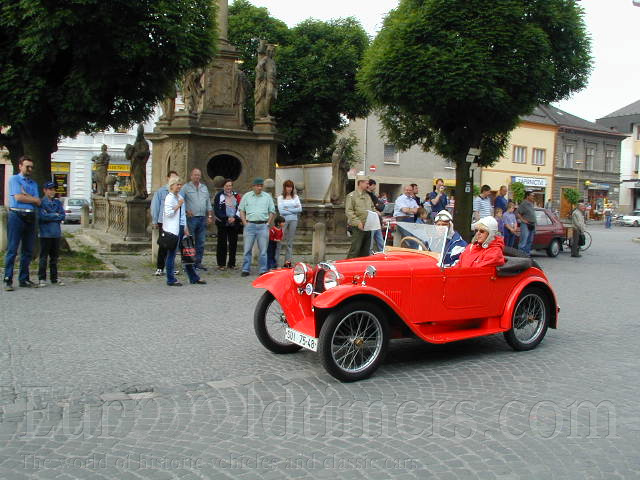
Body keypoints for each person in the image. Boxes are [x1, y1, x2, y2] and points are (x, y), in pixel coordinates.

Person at [4, 156, 41, 291]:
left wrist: (27, 196)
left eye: (31, 167)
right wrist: (30, 198)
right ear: (20, 166)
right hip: (16, 215)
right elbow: (18, 197)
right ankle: (8, 279)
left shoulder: (33, 183)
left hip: (30, 216)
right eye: (27, 166)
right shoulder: (14, 179)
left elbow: (38, 201)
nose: (29, 169)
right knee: (12, 249)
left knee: (27, 250)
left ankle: (24, 279)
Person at [163, 177, 205, 286]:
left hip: (181, 228)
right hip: (173, 230)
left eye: (180, 184)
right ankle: (170, 279)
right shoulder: (169, 198)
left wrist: (185, 228)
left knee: (187, 254)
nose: (179, 186)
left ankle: (193, 277)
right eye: (177, 184)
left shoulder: (180, 197)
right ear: (171, 186)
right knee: (171, 255)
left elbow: (182, 216)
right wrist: (178, 205)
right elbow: (168, 213)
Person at [239, 178, 276, 276]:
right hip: (250, 225)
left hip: (263, 225)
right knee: (247, 249)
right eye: (257, 186)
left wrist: (268, 223)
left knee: (263, 250)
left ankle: (263, 270)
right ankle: (245, 269)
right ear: (253, 186)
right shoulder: (247, 196)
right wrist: (245, 223)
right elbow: (241, 210)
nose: (259, 188)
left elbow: (272, 210)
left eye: (261, 186)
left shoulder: (267, 197)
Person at [181, 168, 213, 271]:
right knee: (189, 242)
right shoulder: (186, 187)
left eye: (198, 175)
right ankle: (188, 264)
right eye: (195, 175)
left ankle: (198, 262)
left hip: (202, 218)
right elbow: (180, 200)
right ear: (191, 176)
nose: (197, 177)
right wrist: (186, 211)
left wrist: (210, 216)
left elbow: (208, 202)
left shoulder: (204, 187)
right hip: (191, 219)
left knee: (201, 242)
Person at [151, 170, 179, 276]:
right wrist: (155, 220)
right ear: (168, 178)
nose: (174, 180)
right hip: (163, 222)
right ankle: (160, 267)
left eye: (176, 178)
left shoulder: (178, 193)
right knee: (163, 245)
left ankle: (170, 267)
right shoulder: (161, 191)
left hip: (174, 223)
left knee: (172, 246)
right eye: (172, 178)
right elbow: (155, 206)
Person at [37, 182, 66, 287]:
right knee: (43, 257)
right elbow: (42, 217)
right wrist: (55, 215)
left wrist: (51, 215)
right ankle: (42, 278)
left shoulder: (57, 202)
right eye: (50, 189)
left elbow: (62, 215)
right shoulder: (41, 202)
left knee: (54, 258)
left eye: (54, 189)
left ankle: (54, 277)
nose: (53, 191)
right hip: (45, 234)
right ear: (45, 190)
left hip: (56, 233)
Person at [213, 179, 242, 271]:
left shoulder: (236, 195)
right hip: (223, 223)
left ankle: (232, 264)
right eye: (226, 186)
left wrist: (235, 217)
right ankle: (221, 264)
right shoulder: (219, 195)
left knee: (233, 244)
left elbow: (240, 208)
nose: (228, 187)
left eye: (230, 185)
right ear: (223, 186)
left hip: (234, 223)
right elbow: (217, 210)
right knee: (222, 244)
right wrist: (226, 218)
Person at [345, 179, 375, 258]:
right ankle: (348, 264)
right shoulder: (351, 196)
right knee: (355, 249)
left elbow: (372, 208)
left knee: (365, 250)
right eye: (366, 183)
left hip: (368, 226)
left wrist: (376, 213)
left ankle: (362, 265)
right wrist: (358, 222)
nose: (368, 185)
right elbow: (349, 211)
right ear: (360, 183)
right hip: (357, 226)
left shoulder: (367, 196)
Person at [277, 180, 302, 267]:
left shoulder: (295, 197)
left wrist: (287, 209)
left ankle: (287, 262)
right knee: (279, 240)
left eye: (291, 187)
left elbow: (299, 209)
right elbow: (281, 211)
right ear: (284, 187)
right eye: (288, 187)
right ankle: (275, 261)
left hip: (293, 220)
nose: (289, 188)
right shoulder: (280, 198)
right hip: (283, 221)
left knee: (290, 242)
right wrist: (293, 209)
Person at [366, 179, 384, 251]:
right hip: (371, 220)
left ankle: (382, 253)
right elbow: (371, 207)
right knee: (370, 242)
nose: (375, 187)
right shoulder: (366, 195)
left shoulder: (373, 195)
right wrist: (376, 209)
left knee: (380, 240)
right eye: (374, 185)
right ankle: (369, 254)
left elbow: (381, 207)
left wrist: (377, 206)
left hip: (377, 220)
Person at [517, 190, 537, 256]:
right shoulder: (523, 204)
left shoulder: (531, 204)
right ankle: (520, 255)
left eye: (533, 196)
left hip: (532, 224)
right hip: (526, 224)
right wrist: (523, 220)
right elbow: (518, 213)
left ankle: (527, 254)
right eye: (532, 195)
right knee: (524, 240)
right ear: (527, 196)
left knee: (530, 240)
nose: (533, 197)